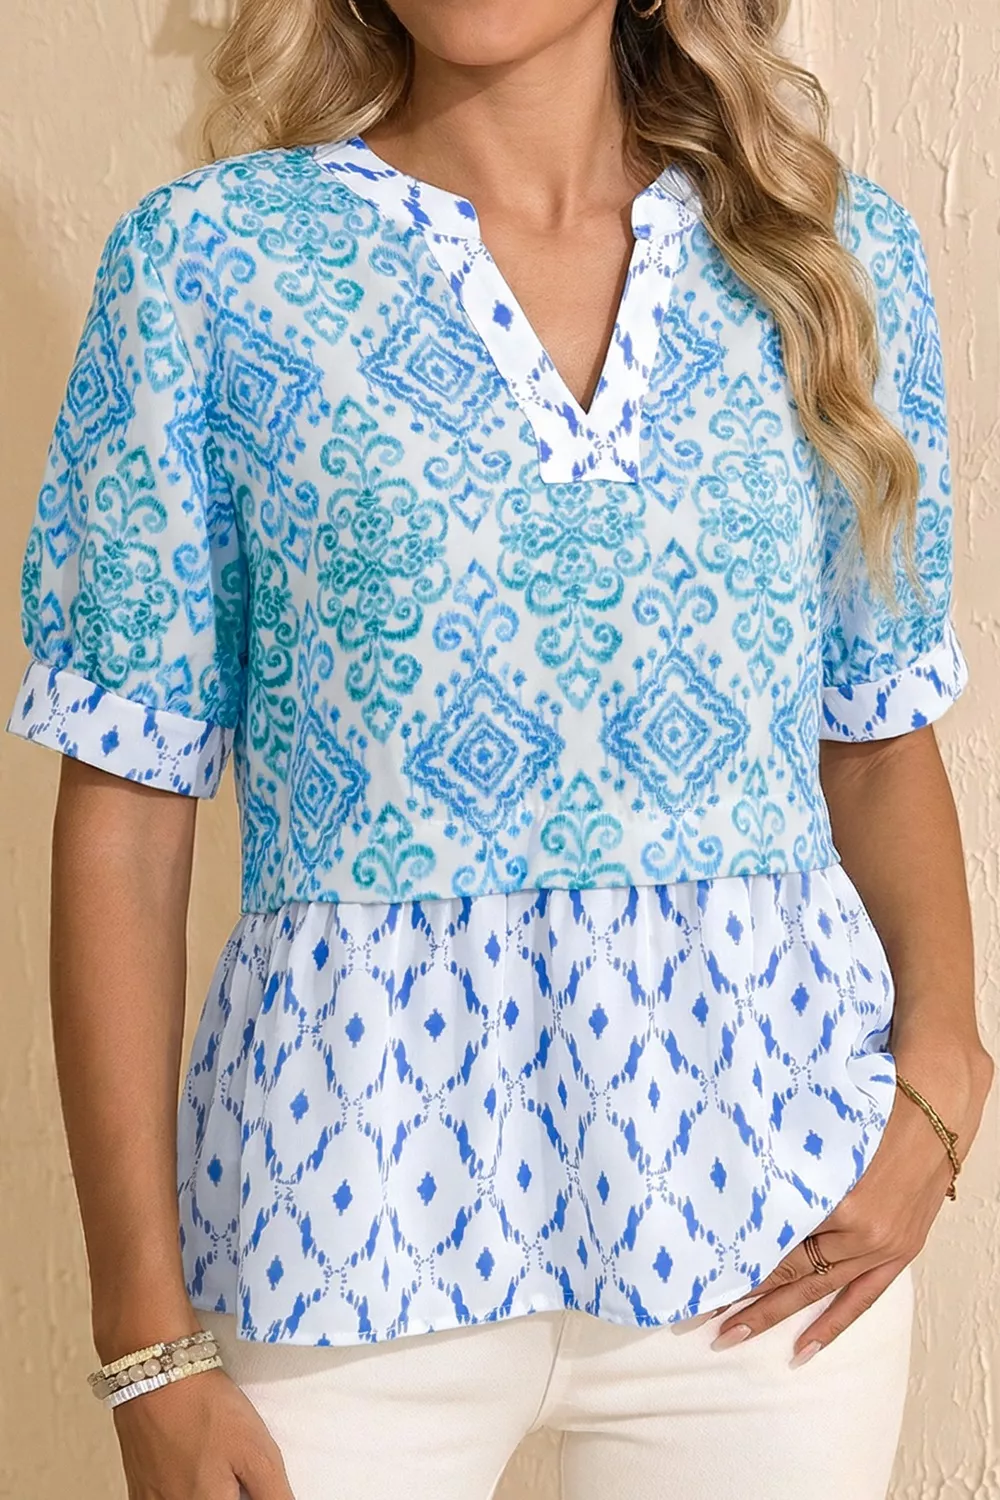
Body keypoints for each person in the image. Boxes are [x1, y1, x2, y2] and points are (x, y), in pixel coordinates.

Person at [7, 0, 994, 1496]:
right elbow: (129, 813)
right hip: (344, 1225)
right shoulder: (212, 267)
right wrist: (145, 1338)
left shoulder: (827, 257)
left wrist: (944, 1071)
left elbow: (873, 728)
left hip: (773, 1238)